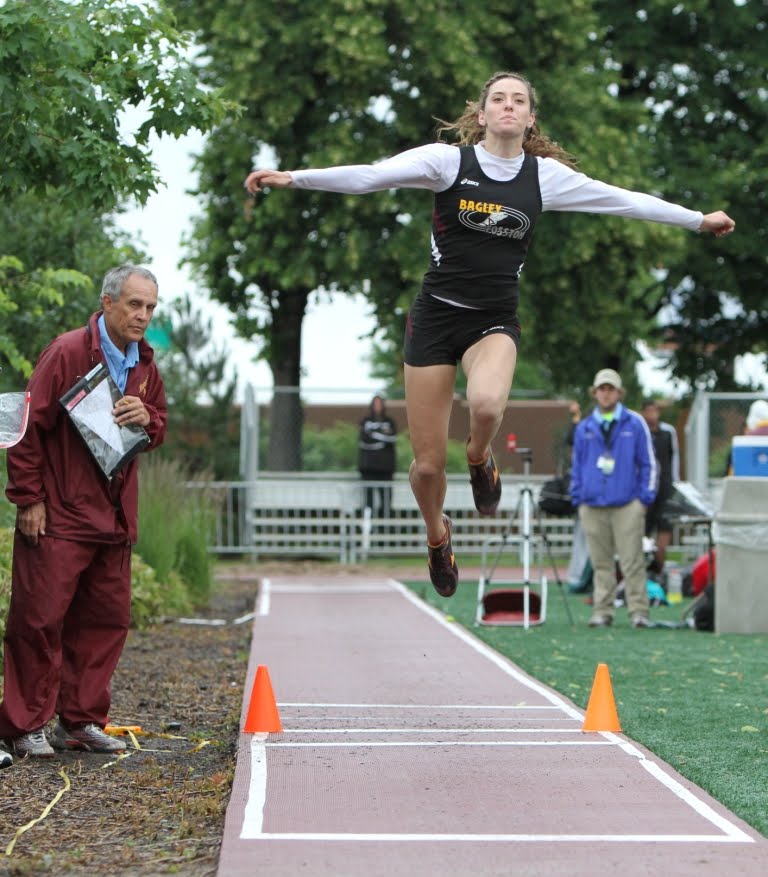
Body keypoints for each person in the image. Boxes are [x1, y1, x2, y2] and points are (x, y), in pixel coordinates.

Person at [244, 70, 735, 598]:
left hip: (493, 319)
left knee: (484, 406)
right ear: (481, 115)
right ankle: (438, 537)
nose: (507, 106)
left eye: (518, 100)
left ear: (529, 117)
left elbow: (626, 200)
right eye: (497, 99)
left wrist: (697, 220)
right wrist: (295, 177)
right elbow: (371, 175)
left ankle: (480, 456)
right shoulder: (447, 162)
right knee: (428, 466)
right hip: (434, 317)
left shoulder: (544, 177)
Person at [0, 264, 167, 760]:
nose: (143, 316)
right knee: (38, 620)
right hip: (60, 515)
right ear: (108, 302)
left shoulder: (145, 365)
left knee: (105, 621)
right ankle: (23, 726)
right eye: (135, 304)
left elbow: (156, 426)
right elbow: (26, 424)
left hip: (114, 519)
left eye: (151, 307)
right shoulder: (68, 352)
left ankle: (80, 721)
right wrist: (28, 498)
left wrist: (149, 418)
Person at [570, 368, 657, 628]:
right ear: (595, 393)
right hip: (592, 503)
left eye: (611, 389)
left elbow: (649, 463)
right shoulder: (585, 427)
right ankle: (602, 611)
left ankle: (638, 612)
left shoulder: (634, 423)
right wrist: (578, 497)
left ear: (619, 393)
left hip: (627, 503)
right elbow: (576, 465)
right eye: (602, 389)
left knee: (632, 561)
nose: (606, 394)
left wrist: (644, 499)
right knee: (600, 562)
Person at [640, 399, 680, 577]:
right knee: (642, 532)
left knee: (664, 530)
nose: (651, 415)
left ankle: (659, 569)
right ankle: (641, 571)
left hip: (664, 489)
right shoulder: (640, 432)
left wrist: (674, 484)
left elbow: (675, 459)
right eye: (648, 411)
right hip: (645, 491)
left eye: (654, 411)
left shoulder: (668, 432)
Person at [358, 394, 397, 518]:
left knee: (386, 499)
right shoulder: (365, 421)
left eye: (380, 403)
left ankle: (384, 528)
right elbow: (364, 440)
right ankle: (369, 528)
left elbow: (391, 438)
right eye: (375, 404)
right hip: (368, 467)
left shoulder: (389, 421)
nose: (377, 406)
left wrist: (373, 434)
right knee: (368, 499)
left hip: (386, 468)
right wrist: (381, 437)